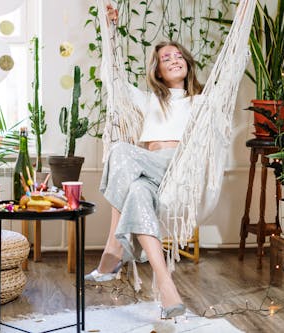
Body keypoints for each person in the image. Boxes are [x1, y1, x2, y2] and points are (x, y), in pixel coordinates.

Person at [85, 3, 203, 319]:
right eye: (167, 58)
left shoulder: (201, 101)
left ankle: (113, 248)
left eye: (179, 56)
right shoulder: (149, 100)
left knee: (122, 151)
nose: (174, 60)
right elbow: (113, 77)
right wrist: (109, 30)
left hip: (178, 169)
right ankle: (167, 290)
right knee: (136, 192)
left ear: (188, 65)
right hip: (147, 172)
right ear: (158, 70)